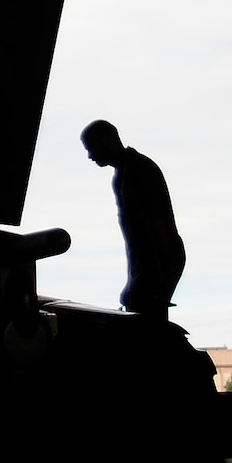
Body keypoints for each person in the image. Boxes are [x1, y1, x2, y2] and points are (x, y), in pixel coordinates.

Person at [80, 119, 185, 320]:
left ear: (108, 140)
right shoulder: (126, 173)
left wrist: (157, 281)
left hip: (156, 268)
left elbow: (156, 227)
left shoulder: (137, 171)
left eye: (91, 148)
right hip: (152, 269)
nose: (90, 156)